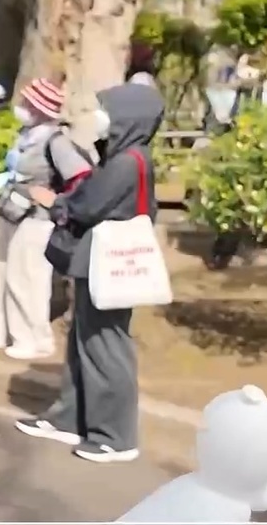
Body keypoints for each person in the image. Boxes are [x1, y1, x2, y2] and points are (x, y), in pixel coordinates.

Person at [17, 83, 164, 464]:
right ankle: (72, 418)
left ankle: (115, 436)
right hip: (96, 261)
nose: (100, 118)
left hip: (110, 264)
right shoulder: (124, 156)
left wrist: (55, 202)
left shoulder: (128, 161)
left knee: (105, 345)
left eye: (107, 111)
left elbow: (87, 205)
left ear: (129, 118)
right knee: (84, 339)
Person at [0, 80, 91, 361]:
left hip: (36, 218)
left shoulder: (56, 141)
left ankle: (31, 339)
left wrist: (56, 201)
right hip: (11, 209)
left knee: (26, 277)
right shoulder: (25, 135)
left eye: (27, 103)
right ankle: (0, 329)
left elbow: (81, 175)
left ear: (39, 109)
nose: (21, 107)